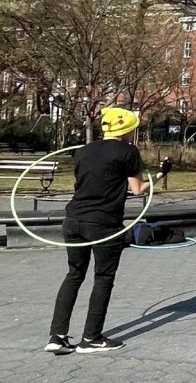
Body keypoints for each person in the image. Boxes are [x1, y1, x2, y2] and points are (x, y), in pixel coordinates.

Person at [46, 106, 158, 355]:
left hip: (73, 219)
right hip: (104, 223)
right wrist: (160, 175)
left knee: (74, 274)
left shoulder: (83, 150)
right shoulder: (128, 152)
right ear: (128, 129)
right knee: (103, 278)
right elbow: (138, 189)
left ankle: (57, 336)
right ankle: (91, 338)